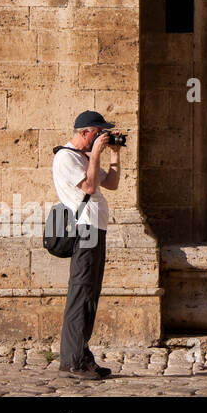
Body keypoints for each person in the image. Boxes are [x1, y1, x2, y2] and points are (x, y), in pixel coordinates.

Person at [51, 111, 123, 381]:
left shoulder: (83, 158)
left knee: (90, 294)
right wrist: (95, 155)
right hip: (84, 232)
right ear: (84, 133)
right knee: (81, 293)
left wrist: (115, 154)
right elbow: (90, 187)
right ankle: (73, 362)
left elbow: (112, 184)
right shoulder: (66, 157)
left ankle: (80, 356)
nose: (101, 138)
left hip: (95, 230)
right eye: (98, 133)